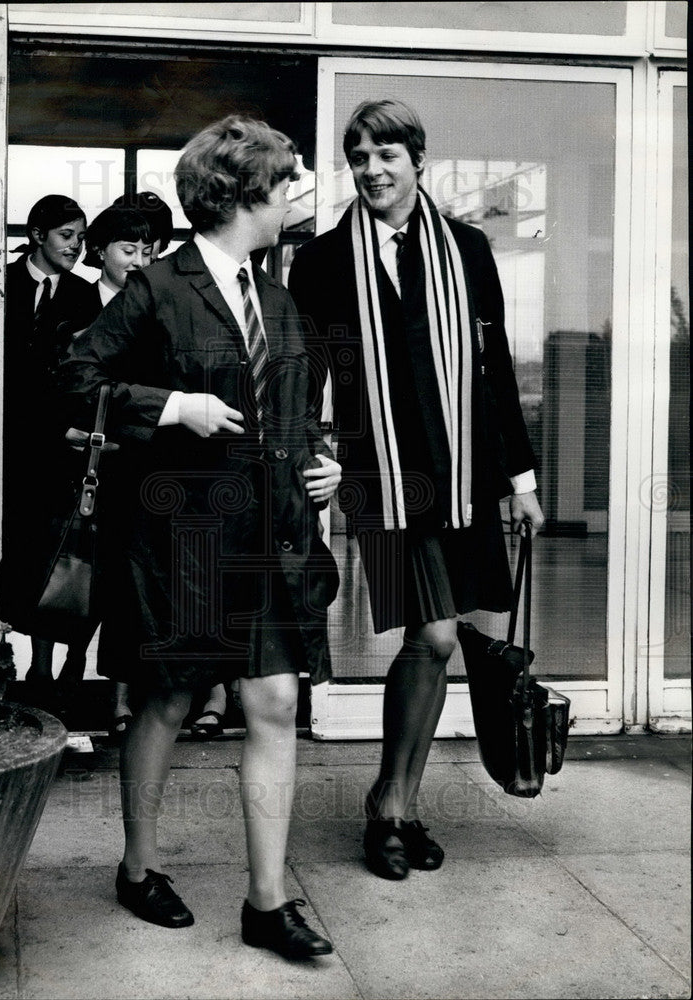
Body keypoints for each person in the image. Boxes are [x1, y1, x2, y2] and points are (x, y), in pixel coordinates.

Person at [59, 115, 342, 959]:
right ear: (248, 193)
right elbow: (76, 380)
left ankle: (266, 901)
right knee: (168, 701)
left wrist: (325, 471)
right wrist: (171, 407)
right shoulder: (158, 287)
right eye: (287, 180)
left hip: (269, 540)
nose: (296, 193)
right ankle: (139, 867)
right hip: (179, 537)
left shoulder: (281, 301)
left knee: (275, 703)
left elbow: (295, 420)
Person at [288, 99, 545, 881]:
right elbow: (306, 376)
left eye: (385, 156)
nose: (371, 170)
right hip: (377, 478)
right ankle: (388, 806)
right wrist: (308, 459)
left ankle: (394, 802)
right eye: (358, 157)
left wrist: (520, 479)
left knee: (432, 646)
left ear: (417, 160)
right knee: (435, 637)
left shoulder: (466, 250)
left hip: (461, 473)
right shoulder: (324, 262)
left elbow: (492, 369)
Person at [67, 194, 175, 734]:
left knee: (143, 585)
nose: (137, 260)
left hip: (145, 461)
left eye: (147, 250)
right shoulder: (76, 301)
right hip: (88, 464)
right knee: (96, 581)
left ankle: (142, 697)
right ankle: (82, 687)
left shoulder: (159, 303)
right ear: (101, 251)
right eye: (128, 249)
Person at [0, 194, 94, 711]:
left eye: (80, 237)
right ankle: (20, 658)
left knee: (57, 554)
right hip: (8, 444)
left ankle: (61, 665)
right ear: (37, 234)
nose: (76, 247)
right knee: (16, 550)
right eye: (67, 236)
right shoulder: (1, 284)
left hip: (62, 447)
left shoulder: (83, 295)